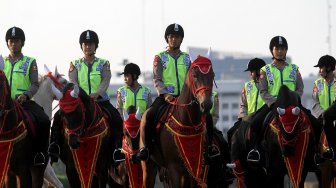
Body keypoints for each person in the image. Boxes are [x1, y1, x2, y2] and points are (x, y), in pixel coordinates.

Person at [137, 23, 214, 161]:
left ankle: (209, 149)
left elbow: (194, 78)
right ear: (167, 39)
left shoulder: (187, 58)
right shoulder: (159, 57)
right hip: (166, 98)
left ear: (181, 39)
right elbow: (157, 79)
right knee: (148, 116)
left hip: (186, 98)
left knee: (207, 117)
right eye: (171, 37)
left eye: (177, 37)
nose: (174, 39)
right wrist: (165, 93)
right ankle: (146, 149)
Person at [49, 30, 123, 162]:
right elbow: (73, 81)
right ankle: (54, 145)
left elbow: (106, 80)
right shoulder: (75, 64)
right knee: (58, 116)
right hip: (79, 102)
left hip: (100, 101)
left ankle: (117, 149)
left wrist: (97, 93)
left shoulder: (104, 63)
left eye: (91, 44)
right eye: (85, 44)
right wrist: (80, 96)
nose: (88, 46)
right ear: (81, 46)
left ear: (96, 46)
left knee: (116, 118)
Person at [246, 36, 304, 162]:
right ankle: (255, 150)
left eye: (282, 48)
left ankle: (315, 153)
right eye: (277, 48)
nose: (280, 51)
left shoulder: (294, 69)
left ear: (286, 50)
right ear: (272, 50)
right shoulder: (265, 70)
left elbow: (300, 89)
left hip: (293, 106)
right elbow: (263, 91)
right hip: (273, 106)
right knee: (255, 123)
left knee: (313, 122)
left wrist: (294, 100)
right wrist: (274, 102)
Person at [2, 26, 50, 166]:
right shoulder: (1, 62)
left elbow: (35, 84)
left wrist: (26, 95)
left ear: (22, 43)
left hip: (23, 103)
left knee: (44, 120)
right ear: (7, 43)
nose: (13, 44)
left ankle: (40, 154)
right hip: (3, 104)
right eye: (10, 41)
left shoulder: (30, 62)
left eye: (16, 41)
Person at [227, 58, 266, 148]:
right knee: (231, 132)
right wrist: (243, 117)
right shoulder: (247, 86)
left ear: (258, 71)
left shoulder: (269, 85)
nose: (250, 74)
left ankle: (254, 151)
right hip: (248, 118)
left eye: (251, 71)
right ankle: (234, 160)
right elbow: (243, 105)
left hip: (263, 118)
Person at [313, 55, 336, 160]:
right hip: (322, 117)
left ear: (329, 68)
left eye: (321, 68)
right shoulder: (317, 83)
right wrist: (321, 114)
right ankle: (315, 155)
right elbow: (315, 102)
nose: (319, 71)